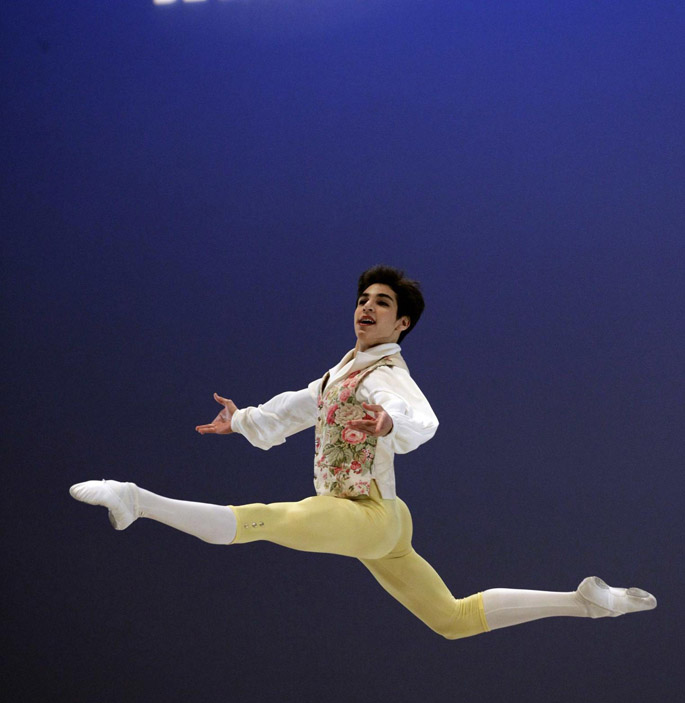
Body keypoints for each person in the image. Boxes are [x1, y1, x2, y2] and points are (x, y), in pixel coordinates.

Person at [69, 265, 656, 638]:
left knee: (265, 522)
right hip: (381, 525)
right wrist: (244, 419)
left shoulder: (383, 373)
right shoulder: (341, 373)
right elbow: (301, 406)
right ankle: (587, 603)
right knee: (452, 620)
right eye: (362, 298)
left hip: (367, 513)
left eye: (381, 303)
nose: (366, 307)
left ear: (400, 324)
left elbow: (419, 419)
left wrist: (386, 424)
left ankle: (136, 499)